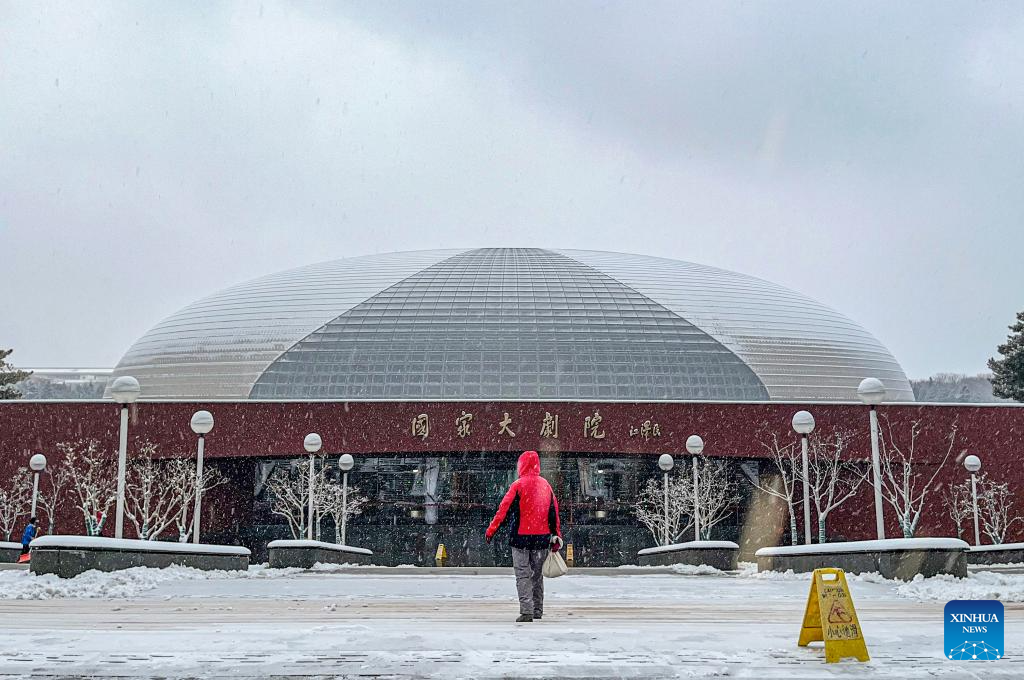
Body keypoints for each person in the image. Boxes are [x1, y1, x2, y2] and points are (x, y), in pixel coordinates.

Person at [485, 450, 563, 622]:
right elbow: (554, 514)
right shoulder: (546, 485)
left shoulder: (518, 485)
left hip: (520, 538)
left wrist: (491, 530)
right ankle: (537, 609)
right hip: (542, 538)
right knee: (537, 575)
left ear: (521, 465)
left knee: (522, 574)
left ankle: (527, 611)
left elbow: (503, 511)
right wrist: (556, 536)